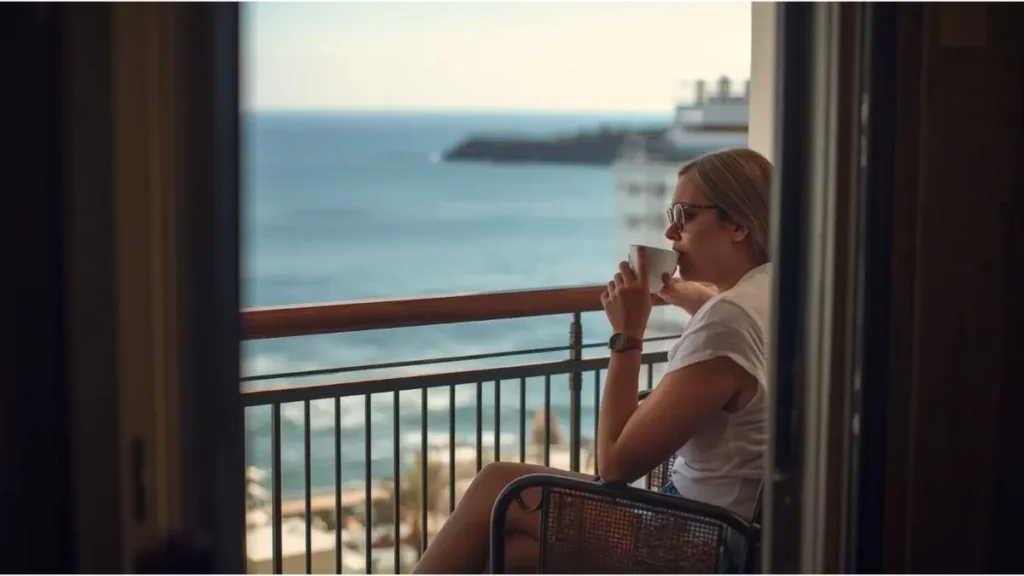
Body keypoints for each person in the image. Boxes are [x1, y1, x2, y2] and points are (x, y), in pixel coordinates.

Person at [413, 147, 773, 574]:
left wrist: (627, 335)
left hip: (697, 541)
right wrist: (695, 299)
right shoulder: (777, 291)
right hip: (746, 534)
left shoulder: (727, 321)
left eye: (686, 215)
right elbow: (741, 351)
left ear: (739, 226)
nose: (671, 232)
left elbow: (615, 465)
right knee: (516, 555)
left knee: (499, 483)